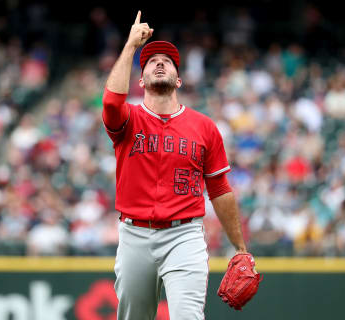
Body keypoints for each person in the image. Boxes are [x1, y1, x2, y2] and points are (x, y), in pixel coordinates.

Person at [102, 11, 253, 320]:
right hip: (134, 234)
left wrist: (240, 247)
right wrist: (131, 46)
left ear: (179, 79)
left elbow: (220, 189)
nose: (159, 62)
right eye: (151, 61)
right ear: (140, 79)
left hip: (184, 235)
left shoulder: (204, 127)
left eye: (167, 61)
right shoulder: (129, 118)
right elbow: (110, 103)